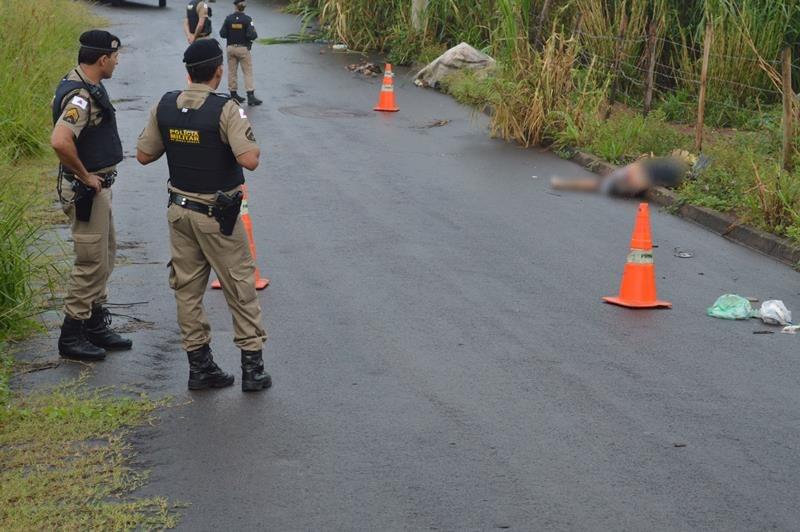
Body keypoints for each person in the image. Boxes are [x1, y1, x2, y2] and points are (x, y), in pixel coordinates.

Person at [136, 39, 271, 392]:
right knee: (240, 286)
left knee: (187, 291)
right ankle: (253, 370)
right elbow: (250, 160)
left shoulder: (164, 105)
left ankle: (200, 367)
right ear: (218, 71)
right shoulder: (226, 110)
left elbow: (143, 155)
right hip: (217, 216)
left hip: (179, 213)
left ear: (187, 72)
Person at [51, 30, 132, 361]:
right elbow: (60, 140)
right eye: (115, 57)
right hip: (87, 189)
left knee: (105, 255)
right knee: (91, 261)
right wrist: (86, 176)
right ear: (102, 59)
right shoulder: (80, 97)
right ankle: (71, 335)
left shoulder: (86, 84)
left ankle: (95, 324)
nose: (117, 62)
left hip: (97, 187)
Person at [550, 151, 703, 197]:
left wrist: (564, 184)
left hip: (673, 169)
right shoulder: (637, 176)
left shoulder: (635, 175)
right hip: (673, 170)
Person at [219, 0, 262, 106]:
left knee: (232, 71)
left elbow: (222, 34)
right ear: (244, 7)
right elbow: (252, 35)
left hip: (230, 48)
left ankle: (233, 94)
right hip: (243, 49)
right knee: (247, 71)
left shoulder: (228, 19)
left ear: (235, 6)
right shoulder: (247, 19)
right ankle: (250, 96)